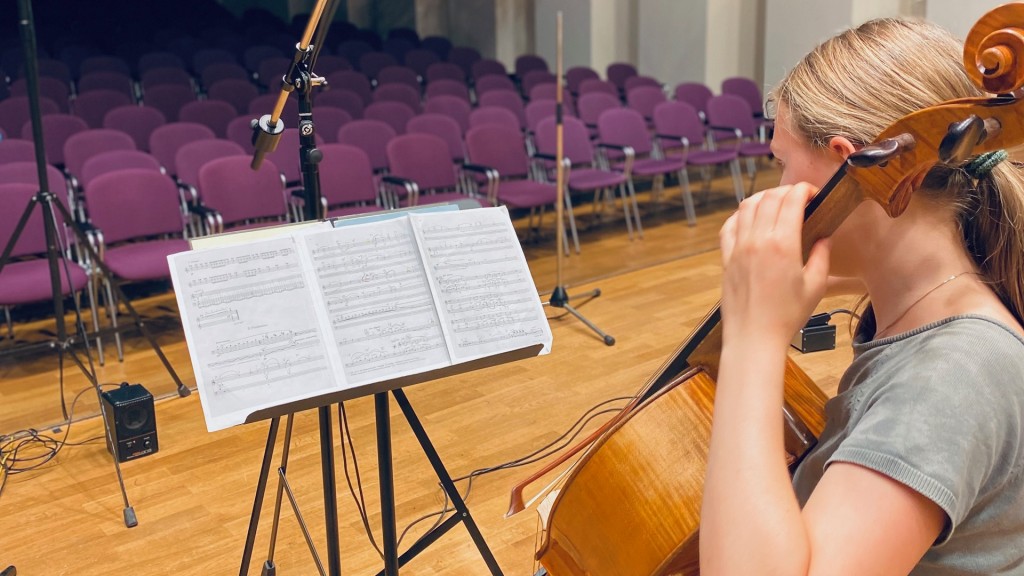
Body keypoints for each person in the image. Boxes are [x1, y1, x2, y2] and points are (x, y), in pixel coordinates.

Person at [700, 18, 1024, 576]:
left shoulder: (953, 375)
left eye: (781, 162)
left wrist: (754, 339)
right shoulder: (906, 321)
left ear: (847, 161)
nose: (775, 190)